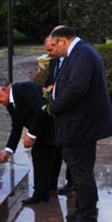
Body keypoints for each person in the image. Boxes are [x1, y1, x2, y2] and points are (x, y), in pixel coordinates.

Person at [46, 24, 112, 222]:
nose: (54, 51)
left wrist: (54, 107)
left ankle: (87, 216)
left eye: (54, 46)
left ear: (62, 40)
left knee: (81, 170)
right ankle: (83, 210)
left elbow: (76, 88)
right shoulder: (79, 53)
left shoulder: (81, 54)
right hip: (80, 123)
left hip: (81, 125)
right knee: (80, 169)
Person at [0, 77, 56, 204]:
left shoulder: (25, 89)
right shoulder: (10, 103)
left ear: (4, 89)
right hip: (44, 132)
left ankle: (80, 195)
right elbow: (17, 126)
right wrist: (8, 150)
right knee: (39, 155)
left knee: (70, 159)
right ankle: (41, 193)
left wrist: (31, 135)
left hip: (56, 128)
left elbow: (39, 111)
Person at [42, 37, 71, 194]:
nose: (48, 54)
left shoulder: (71, 61)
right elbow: (49, 82)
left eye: (50, 50)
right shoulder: (53, 62)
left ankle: (72, 182)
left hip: (69, 113)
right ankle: (51, 181)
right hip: (54, 112)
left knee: (69, 149)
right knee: (55, 147)